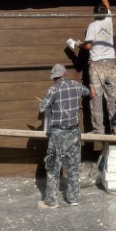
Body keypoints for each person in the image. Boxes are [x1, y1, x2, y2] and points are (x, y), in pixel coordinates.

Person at [38, 63, 90, 209]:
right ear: (65, 74)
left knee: (53, 167)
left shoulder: (53, 89)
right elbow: (88, 92)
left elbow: (42, 107)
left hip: (58, 134)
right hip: (74, 132)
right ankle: (73, 198)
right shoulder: (76, 85)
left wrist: (52, 104)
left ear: (55, 77)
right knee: (73, 166)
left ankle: (51, 201)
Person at [80, 0, 116, 134]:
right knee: (113, 99)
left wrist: (79, 45)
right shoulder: (109, 20)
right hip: (111, 64)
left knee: (96, 98)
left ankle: (99, 130)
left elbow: (89, 45)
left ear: (95, 14)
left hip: (97, 66)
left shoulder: (93, 25)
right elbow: (107, 5)